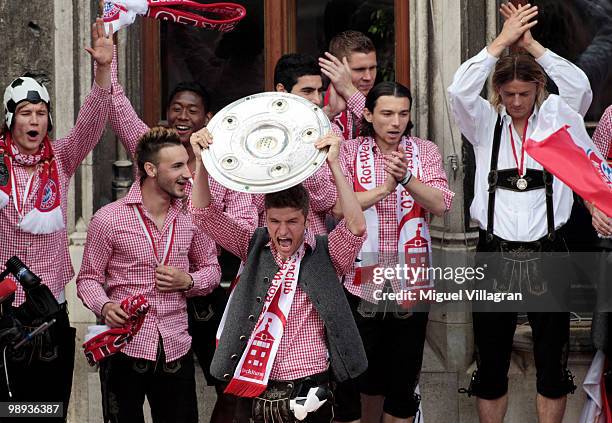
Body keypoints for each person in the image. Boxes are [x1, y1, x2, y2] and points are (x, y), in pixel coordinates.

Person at [447, 3, 592, 422]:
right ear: (497, 92)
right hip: (494, 252)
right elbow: (458, 90)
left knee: (553, 363)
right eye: (508, 94)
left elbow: (580, 87)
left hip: (550, 252)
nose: (515, 102)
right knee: (491, 363)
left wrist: (532, 46)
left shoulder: (557, 118)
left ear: (538, 90)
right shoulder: (482, 123)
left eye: (523, 95)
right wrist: (500, 43)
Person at [107, 54, 257, 420]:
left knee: (232, 384)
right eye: (177, 109)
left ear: (207, 119)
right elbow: (119, 107)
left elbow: (246, 228)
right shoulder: (152, 150)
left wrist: (199, 222)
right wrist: (108, 59)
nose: (184, 117)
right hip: (154, 296)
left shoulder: (229, 166)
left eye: (193, 111)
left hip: (212, 288)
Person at [189, 127, 367, 423]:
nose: (283, 232)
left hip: (310, 382)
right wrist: (202, 160)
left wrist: (335, 164)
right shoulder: (253, 245)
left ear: (306, 218)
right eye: (275, 221)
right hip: (257, 383)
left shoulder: (326, 252)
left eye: (292, 222)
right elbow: (202, 213)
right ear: (266, 217)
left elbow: (356, 226)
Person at [0, 18, 113, 422]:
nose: (34, 121)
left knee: (48, 410)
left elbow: (92, 124)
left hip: (49, 306)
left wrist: (102, 70)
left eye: (42, 112)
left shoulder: (61, 158)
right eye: (26, 113)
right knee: (12, 411)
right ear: (11, 118)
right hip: (3, 308)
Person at [77, 127, 221, 422]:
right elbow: (88, 278)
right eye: (178, 166)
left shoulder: (194, 214)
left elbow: (212, 270)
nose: (188, 174)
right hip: (124, 349)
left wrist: (189, 281)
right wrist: (105, 307)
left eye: (187, 164)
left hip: (176, 349)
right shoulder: (109, 218)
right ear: (150, 169)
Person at [332, 81, 454, 423]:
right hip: (359, 286)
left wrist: (406, 179)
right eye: (386, 113)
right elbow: (339, 208)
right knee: (354, 389)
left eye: (402, 113)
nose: (395, 122)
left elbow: (442, 204)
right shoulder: (349, 151)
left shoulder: (423, 151)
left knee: (401, 391)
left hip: (409, 288)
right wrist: (384, 188)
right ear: (368, 114)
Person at [319, 30, 377, 141]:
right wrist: (329, 112)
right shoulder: (317, 100)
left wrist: (349, 91)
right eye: (359, 69)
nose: (368, 77)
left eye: (373, 68)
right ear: (336, 68)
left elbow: (384, 134)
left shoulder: (386, 100)